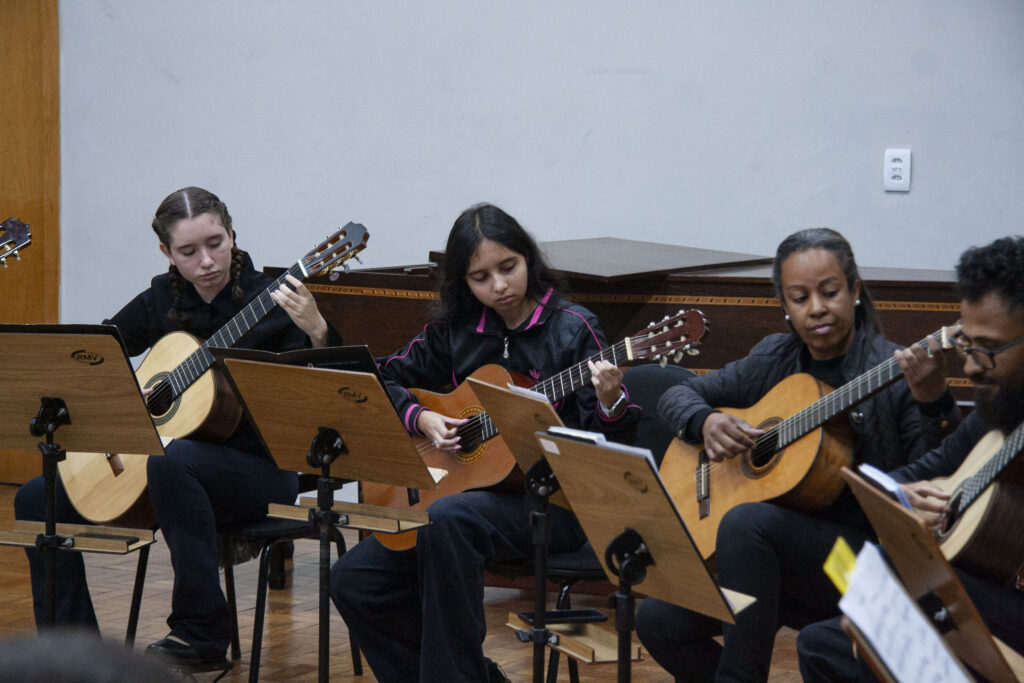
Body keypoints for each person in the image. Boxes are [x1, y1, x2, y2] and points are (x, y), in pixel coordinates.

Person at [14, 186, 340, 665]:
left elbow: (333, 389)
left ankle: (202, 634)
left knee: (174, 462)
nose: (206, 260)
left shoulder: (272, 299)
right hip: (169, 471)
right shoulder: (160, 299)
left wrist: (318, 329)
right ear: (167, 252)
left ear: (233, 234)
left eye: (216, 243)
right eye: (188, 251)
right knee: (33, 498)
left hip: (259, 470)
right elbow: (94, 353)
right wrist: (128, 392)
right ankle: (71, 653)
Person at [329, 203, 640, 683]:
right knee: (354, 580)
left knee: (448, 520)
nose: (498, 286)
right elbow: (378, 378)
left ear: (528, 260)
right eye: (480, 277)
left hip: (556, 505)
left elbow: (603, 444)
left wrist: (610, 399)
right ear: (463, 282)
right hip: (463, 500)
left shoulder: (572, 328)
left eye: (508, 267)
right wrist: (422, 416)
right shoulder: (456, 331)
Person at [634, 227, 962, 682]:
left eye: (829, 292)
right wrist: (704, 422)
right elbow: (679, 394)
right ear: (784, 306)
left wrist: (932, 400)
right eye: (800, 297)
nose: (817, 309)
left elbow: (936, 477)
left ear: (854, 292)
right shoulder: (775, 357)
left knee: (747, 522)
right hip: (770, 562)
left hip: (859, 567)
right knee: (657, 620)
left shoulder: (891, 370)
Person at [797, 235, 1024, 682]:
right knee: (821, 644)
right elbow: (912, 475)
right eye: (967, 345)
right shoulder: (1000, 411)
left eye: (988, 349)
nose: (972, 366)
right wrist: (907, 499)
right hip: (987, 596)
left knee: (886, 581)